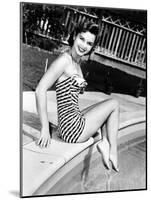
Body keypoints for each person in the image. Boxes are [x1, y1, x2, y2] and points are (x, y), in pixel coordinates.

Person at [35, 21, 120, 172]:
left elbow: (70, 94)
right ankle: (112, 150)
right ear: (74, 36)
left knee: (106, 114)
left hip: (70, 123)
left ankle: (105, 142)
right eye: (81, 39)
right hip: (73, 129)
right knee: (114, 104)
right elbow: (40, 89)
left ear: (92, 47)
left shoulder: (76, 62)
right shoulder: (64, 60)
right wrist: (44, 129)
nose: (84, 45)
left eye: (89, 43)